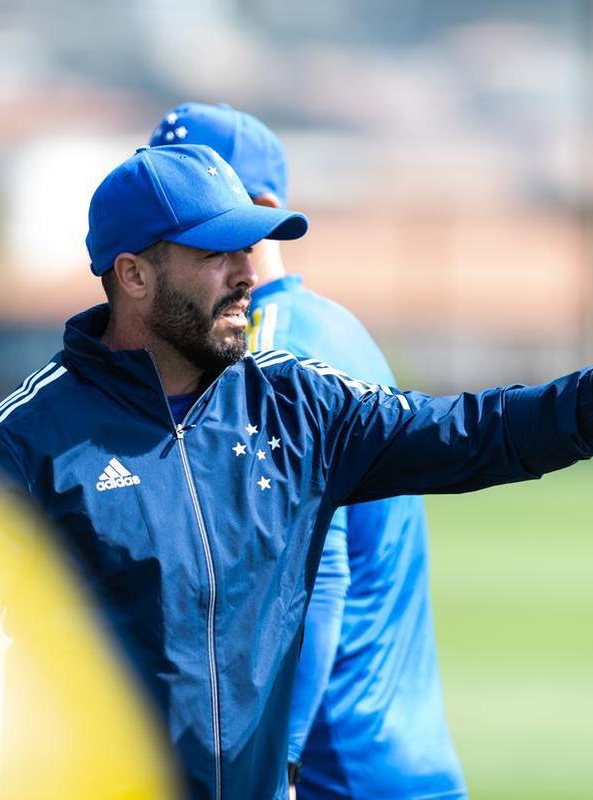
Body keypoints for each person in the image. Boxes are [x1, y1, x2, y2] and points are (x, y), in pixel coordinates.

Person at [0, 141, 593, 800]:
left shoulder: (296, 403)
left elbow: (474, 433)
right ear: (132, 274)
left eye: (247, 248)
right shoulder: (21, 444)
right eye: (213, 252)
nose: (246, 272)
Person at [149, 102, 464, 799]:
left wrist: (278, 767)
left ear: (259, 210)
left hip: (332, 767)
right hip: (383, 756)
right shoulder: (325, 328)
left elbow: (317, 575)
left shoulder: (272, 353)